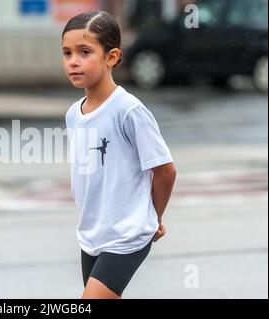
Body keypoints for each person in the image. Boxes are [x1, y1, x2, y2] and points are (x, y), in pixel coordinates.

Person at [63, 11, 177, 299]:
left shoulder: (128, 110)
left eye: (84, 52)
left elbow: (165, 169)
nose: (73, 61)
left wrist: (153, 217)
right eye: (67, 53)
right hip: (92, 233)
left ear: (111, 57)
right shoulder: (73, 115)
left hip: (127, 234)